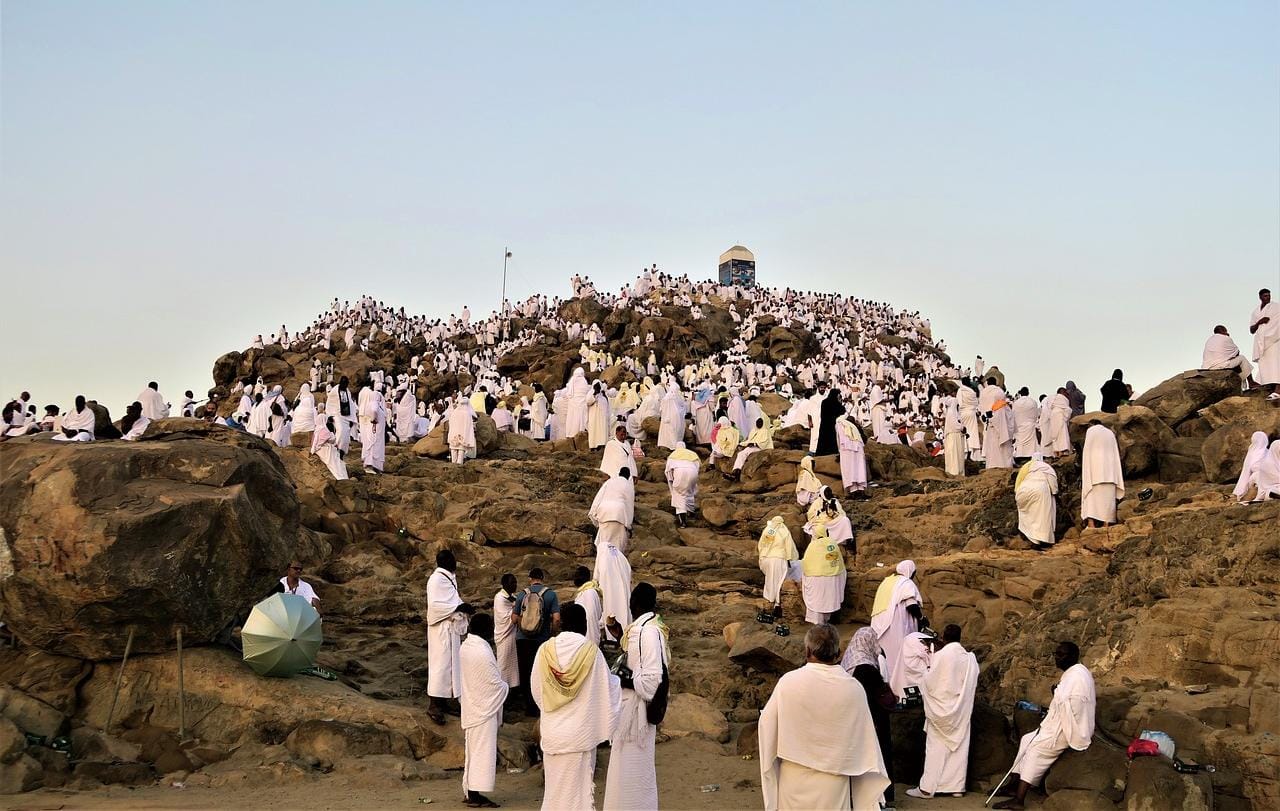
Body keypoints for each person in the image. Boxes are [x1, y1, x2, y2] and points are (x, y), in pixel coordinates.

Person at [758, 624, 890, 811]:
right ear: (838, 652)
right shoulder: (852, 688)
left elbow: (766, 725)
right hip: (834, 782)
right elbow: (865, 739)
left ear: (808, 650)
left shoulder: (788, 682)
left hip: (794, 779)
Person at [531, 603, 621, 811]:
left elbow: (537, 690)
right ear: (584, 624)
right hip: (580, 736)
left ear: (560, 623)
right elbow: (607, 690)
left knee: (554, 795)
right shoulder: (591, 653)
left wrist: (552, 710)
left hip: (553, 734)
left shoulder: (545, 650)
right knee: (577, 798)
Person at [994, 641, 1096, 810]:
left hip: (1067, 727)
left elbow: (1076, 705)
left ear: (1072, 656)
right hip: (1057, 722)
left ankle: (1019, 799)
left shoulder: (1078, 676)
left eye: (1060, 654)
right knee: (1027, 739)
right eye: (1056, 653)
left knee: (1036, 750)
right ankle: (1013, 784)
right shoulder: (1072, 673)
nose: (1056, 657)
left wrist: (1057, 694)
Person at [603, 583, 668, 810]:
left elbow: (651, 682)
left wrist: (624, 679)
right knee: (628, 771)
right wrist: (620, 633)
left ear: (634, 604)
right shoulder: (646, 628)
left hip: (636, 714)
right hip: (632, 710)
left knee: (633, 771)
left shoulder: (648, 632)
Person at [909, 624, 979, 800]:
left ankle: (926, 789)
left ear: (944, 637)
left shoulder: (940, 656)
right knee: (958, 749)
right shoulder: (969, 658)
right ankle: (956, 787)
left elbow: (929, 681)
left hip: (940, 710)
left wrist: (926, 673)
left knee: (936, 749)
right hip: (960, 712)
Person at [840, 627, 896, 809]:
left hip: (854, 722)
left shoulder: (848, 665)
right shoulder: (867, 670)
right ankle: (880, 797)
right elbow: (881, 697)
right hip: (874, 723)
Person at [460, 613, 508, 809]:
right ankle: (475, 795)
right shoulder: (482, 651)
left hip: (472, 705)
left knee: (472, 751)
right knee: (481, 752)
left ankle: (471, 790)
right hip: (483, 709)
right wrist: (505, 687)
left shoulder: (467, 646)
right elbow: (493, 683)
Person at [427, 550, 474, 724]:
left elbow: (452, 601)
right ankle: (434, 705)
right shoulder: (436, 580)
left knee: (450, 665)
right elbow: (434, 607)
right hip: (441, 630)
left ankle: (445, 700)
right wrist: (458, 608)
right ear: (447, 562)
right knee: (440, 666)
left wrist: (462, 608)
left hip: (450, 629)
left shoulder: (448, 578)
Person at [871, 560, 924, 698]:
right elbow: (911, 605)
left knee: (886, 660)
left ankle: (887, 692)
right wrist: (922, 619)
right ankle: (902, 693)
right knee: (901, 658)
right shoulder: (906, 583)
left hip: (880, 626)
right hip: (896, 626)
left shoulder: (887, 582)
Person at [512, 567, 560, 717]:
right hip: (542, 640)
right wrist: (551, 633)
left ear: (530, 578)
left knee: (525, 673)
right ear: (542, 578)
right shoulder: (550, 595)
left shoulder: (522, 594)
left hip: (522, 640)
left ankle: (529, 707)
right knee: (541, 672)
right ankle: (541, 705)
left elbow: (513, 618)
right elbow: (556, 618)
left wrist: (524, 624)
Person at [758, 516, 799, 630]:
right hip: (779, 559)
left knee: (770, 581)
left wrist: (762, 556)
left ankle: (770, 602)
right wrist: (791, 558)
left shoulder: (767, 530)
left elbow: (761, 544)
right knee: (779, 582)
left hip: (767, 558)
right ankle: (777, 604)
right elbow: (789, 547)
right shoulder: (784, 531)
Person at [1081, 421, 1125, 528]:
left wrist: (1086, 471)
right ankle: (1106, 524)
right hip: (1110, 472)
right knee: (1107, 500)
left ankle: (1091, 524)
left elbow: (1087, 451)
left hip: (1095, 471)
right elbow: (1115, 452)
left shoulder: (1091, 431)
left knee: (1091, 498)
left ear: (1092, 425)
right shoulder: (1110, 433)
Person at [800, 525, 846, 625]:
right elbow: (840, 565)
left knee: (818, 604)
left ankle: (818, 624)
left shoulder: (812, 545)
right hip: (832, 579)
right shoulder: (832, 543)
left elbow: (806, 563)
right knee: (826, 602)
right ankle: (826, 621)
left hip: (816, 580)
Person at [1015, 453, 1058, 547]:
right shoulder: (1046, 467)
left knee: (1027, 515)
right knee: (1041, 516)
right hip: (1039, 489)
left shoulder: (1025, 467)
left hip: (1023, 490)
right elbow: (1054, 488)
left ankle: (1030, 537)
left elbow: (1017, 484)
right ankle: (1039, 540)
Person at [1201, 325, 1257, 391]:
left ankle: (1239, 385)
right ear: (1222, 331)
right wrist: (1227, 336)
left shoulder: (1209, 340)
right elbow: (1237, 353)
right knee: (1242, 358)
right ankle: (1251, 382)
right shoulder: (1226, 338)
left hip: (1207, 368)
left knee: (1232, 362)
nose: (1227, 333)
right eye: (1226, 331)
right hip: (1220, 366)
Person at [1249, 288, 1280, 399]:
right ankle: (1271, 389)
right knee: (1265, 366)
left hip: (1273, 340)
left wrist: (1269, 334)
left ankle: (1278, 390)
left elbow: (1278, 321)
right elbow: (1252, 330)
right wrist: (1260, 322)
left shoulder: (1276, 307)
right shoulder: (1255, 312)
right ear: (1260, 297)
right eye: (1265, 296)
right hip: (1260, 342)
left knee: (1275, 364)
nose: (1268, 297)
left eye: (1269, 295)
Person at [493, 573, 520, 690]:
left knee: (513, 664)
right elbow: (504, 617)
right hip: (503, 635)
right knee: (503, 664)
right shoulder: (499, 598)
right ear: (504, 585)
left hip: (512, 635)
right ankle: (502, 689)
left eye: (515, 582)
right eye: (511, 583)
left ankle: (513, 687)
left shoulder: (512, 597)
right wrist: (516, 610)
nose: (514, 585)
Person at [663, 441, 700, 527]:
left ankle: (683, 522)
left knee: (678, 495)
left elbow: (668, 470)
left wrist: (671, 480)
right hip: (693, 472)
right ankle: (691, 512)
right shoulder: (692, 454)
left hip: (680, 473)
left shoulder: (673, 455)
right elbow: (697, 466)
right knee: (690, 492)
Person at [834, 413, 868, 495]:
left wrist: (839, 451)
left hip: (846, 449)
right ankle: (860, 489)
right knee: (858, 468)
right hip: (857, 448)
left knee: (849, 469)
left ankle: (854, 490)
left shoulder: (839, 424)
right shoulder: (853, 427)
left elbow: (839, 439)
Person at [572, 566, 603, 647]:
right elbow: (599, 614)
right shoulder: (591, 591)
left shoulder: (588, 592)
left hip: (588, 638)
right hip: (588, 638)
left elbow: (591, 615)